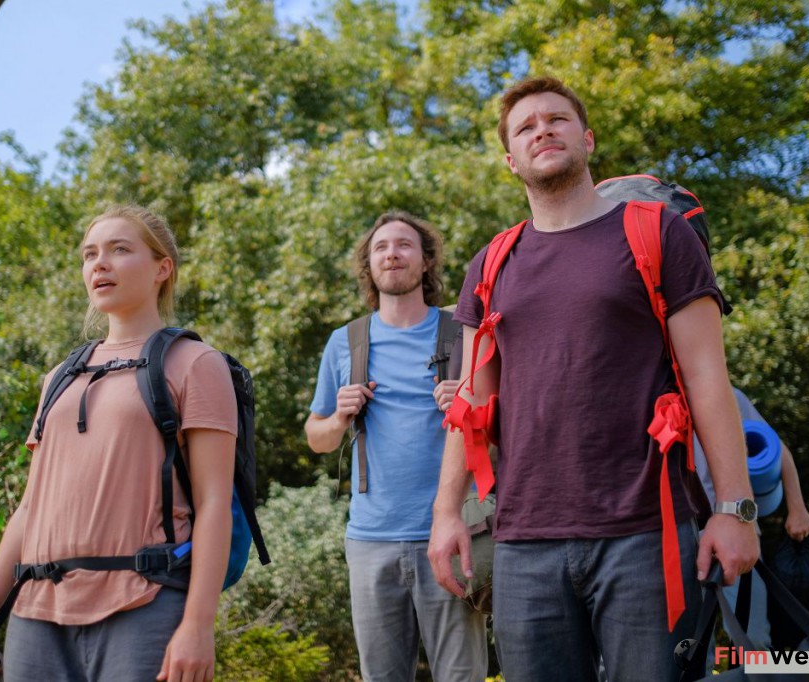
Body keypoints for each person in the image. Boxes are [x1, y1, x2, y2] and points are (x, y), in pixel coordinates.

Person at [427, 76, 759, 682]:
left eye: (556, 119)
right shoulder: (492, 261)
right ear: (511, 160)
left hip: (646, 533)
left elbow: (708, 378)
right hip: (524, 538)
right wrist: (446, 512)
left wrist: (735, 509)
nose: (542, 131)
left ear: (587, 138)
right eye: (525, 127)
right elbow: (471, 402)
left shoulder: (658, 232)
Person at [0, 205, 237, 682]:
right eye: (89, 254)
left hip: (144, 606)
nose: (99, 264)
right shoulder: (59, 378)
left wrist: (197, 626)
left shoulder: (196, 363)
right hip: (36, 614)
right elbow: (30, 509)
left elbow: (214, 504)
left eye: (119, 249)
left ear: (162, 268)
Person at [305, 211, 488, 681]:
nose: (392, 254)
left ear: (426, 262)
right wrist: (340, 416)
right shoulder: (345, 341)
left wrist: (470, 404)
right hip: (371, 540)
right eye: (381, 247)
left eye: (405, 244)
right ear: (369, 265)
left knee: (461, 676)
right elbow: (317, 438)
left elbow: (508, 424)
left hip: (452, 533)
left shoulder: (462, 333)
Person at [695, 387, 809, 663]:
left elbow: (778, 450)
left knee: (754, 639)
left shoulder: (723, 395)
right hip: (679, 537)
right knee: (692, 647)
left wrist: (798, 509)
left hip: (735, 531)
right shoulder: (651, 393)